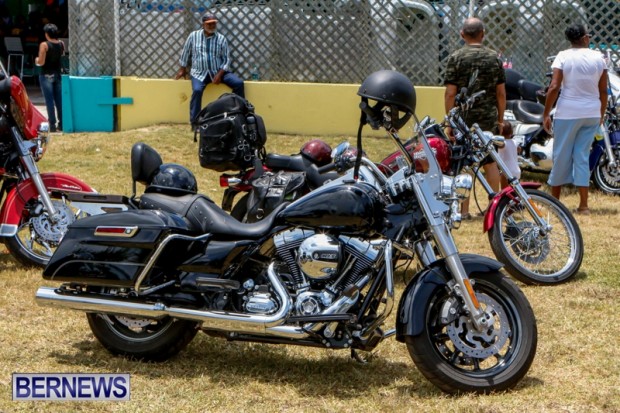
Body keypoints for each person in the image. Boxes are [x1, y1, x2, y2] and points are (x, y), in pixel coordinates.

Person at [543, 23, 607, 215]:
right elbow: (603, 90)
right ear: (585, 38)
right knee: (582, 156)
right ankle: (583, 205)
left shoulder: (563, 56)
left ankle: (555, 202)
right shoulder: (599, 58)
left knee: (561, 155)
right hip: (591, 112)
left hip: (568, 112)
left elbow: (554, 86)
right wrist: (601, 113)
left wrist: (546, 112)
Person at [444, 17, 505, 220]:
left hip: (463, 118)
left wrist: (450, 122)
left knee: (464, 162)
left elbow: (450, 93)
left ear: (462, 34)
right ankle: (493, 208)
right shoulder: (494, 58)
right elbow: (500, 93)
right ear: (483, 34)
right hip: (487, 118)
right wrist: (500, 120)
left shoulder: (456, 58)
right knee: (490, 162)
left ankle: (464, 210)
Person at [175, 13, 245, 130]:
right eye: (209, 24)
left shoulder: (221, 39)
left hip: (218, 71)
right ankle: (195, 122)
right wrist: (182, 69)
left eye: (214, 23)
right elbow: (185, 52)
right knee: (197, 90)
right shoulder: (193, 36)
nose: (212, 26)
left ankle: (238, 115)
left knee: (238, 83)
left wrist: (220, 74)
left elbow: (226, 59)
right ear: (203, 24)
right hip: (199, 73)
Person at [35, 23, 64, 132]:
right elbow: (61, 56)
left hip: (46, 75)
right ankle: (62, 124)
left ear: (47, 34)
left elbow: (41, 62)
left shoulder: (44, 45)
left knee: (49, 101)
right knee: (59, 100)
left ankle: (52, 125)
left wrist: (36, 60)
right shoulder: (61, 43)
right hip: (57, 74)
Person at [497, 121, 521, 189]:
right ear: (511, 132)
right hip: (517, 171)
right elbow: (519, 149)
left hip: (506, 171)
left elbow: (499, 146)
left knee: (504, 191)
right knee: (515, 191)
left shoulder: (503, 143)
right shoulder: (514, 142)